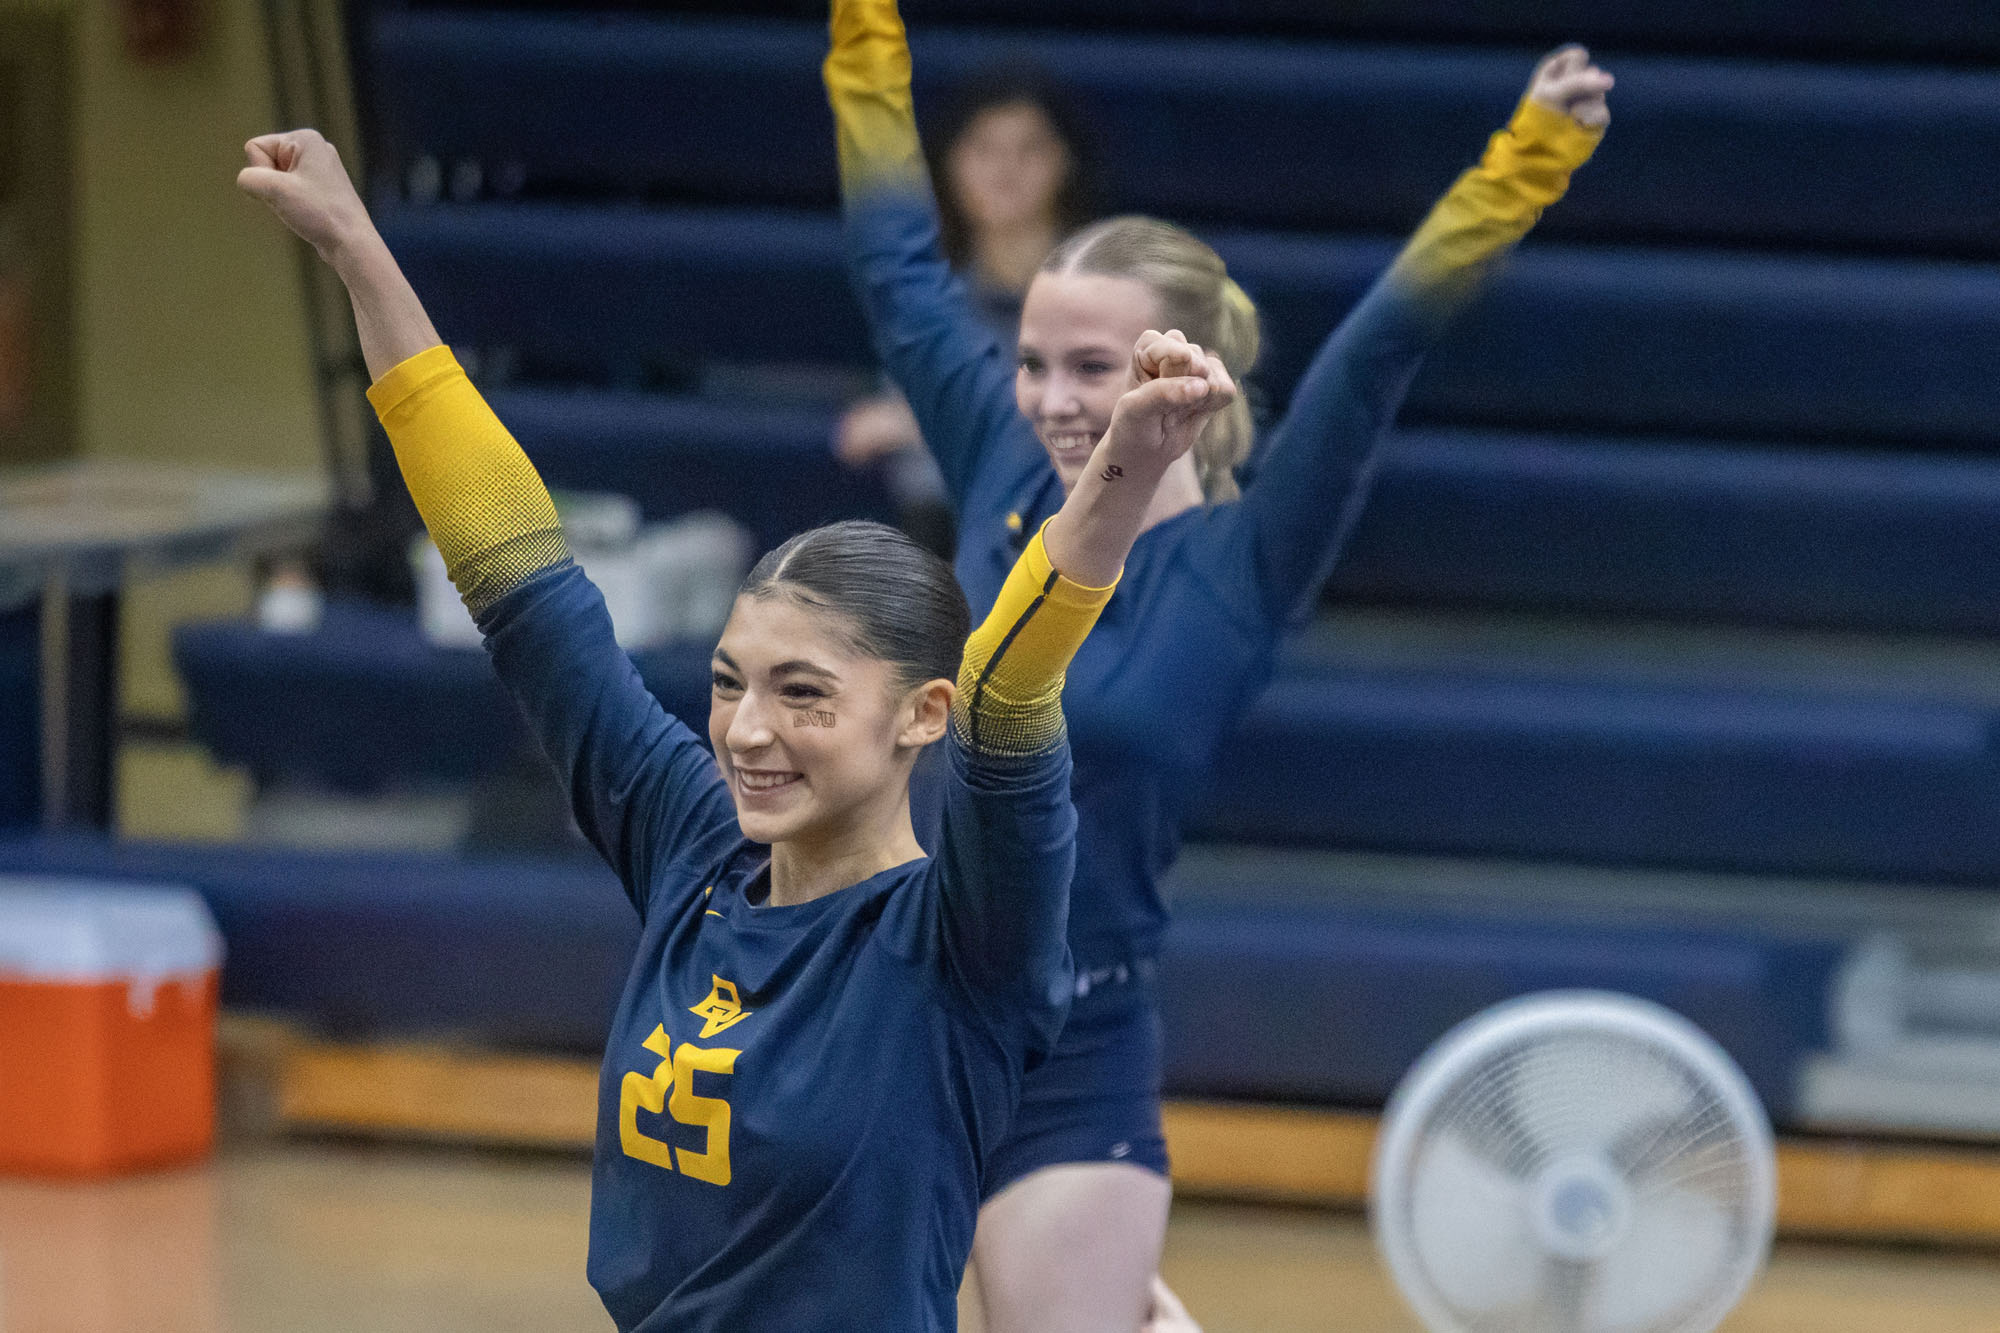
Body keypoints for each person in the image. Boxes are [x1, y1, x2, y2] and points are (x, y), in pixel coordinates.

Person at [237, 128, 1234, 1331]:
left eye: (803, 692)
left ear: (923, 713)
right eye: (727, 681)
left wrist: (1115, 477)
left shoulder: (963, 937)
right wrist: (357, 250)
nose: (747, 730)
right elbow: (515, 571)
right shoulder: (691, 845)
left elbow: (1013, 688)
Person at [826, 2, 1611, 1328]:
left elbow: (1378, 349)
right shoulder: (1004, 464)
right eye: (1034, 363)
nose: (1059, 399)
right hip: (895, 1003)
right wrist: (864, 26)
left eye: (1098, 365)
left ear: (1183, 366)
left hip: (1074, 1046)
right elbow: (899, 261)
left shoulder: (1247, 559)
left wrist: (1527, 158)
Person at [836, 71, 1094, 553]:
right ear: (949, 165)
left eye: (1029, 149)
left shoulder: (1115, 290)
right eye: (984, 150)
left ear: (1067, 162)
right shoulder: (923, 297)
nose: (1006, 170)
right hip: (943, 534)